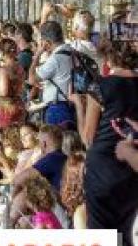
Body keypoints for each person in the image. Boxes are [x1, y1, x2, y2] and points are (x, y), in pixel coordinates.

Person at [70, 36, 138, 244]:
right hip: (132, 164)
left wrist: (79, 106)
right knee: (126, 229)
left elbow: (88, 137)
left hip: (103, 165)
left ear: (108, 60)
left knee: (102, 232)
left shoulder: (100, 85)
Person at [29, 21, 75, 127]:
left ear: (47, 42)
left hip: (57, 107)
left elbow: (32, 79)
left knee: (54, 142)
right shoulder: (72, 52)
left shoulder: (55, 59)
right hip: (71, 105)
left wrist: (38, 54)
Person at [0, 38, 26, 128]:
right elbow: (20, 89)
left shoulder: (4, 70)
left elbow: (4, 92)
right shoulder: (20, 68)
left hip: (5, 106)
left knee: (4, 136)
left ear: (1, 52)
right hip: (18, 104)